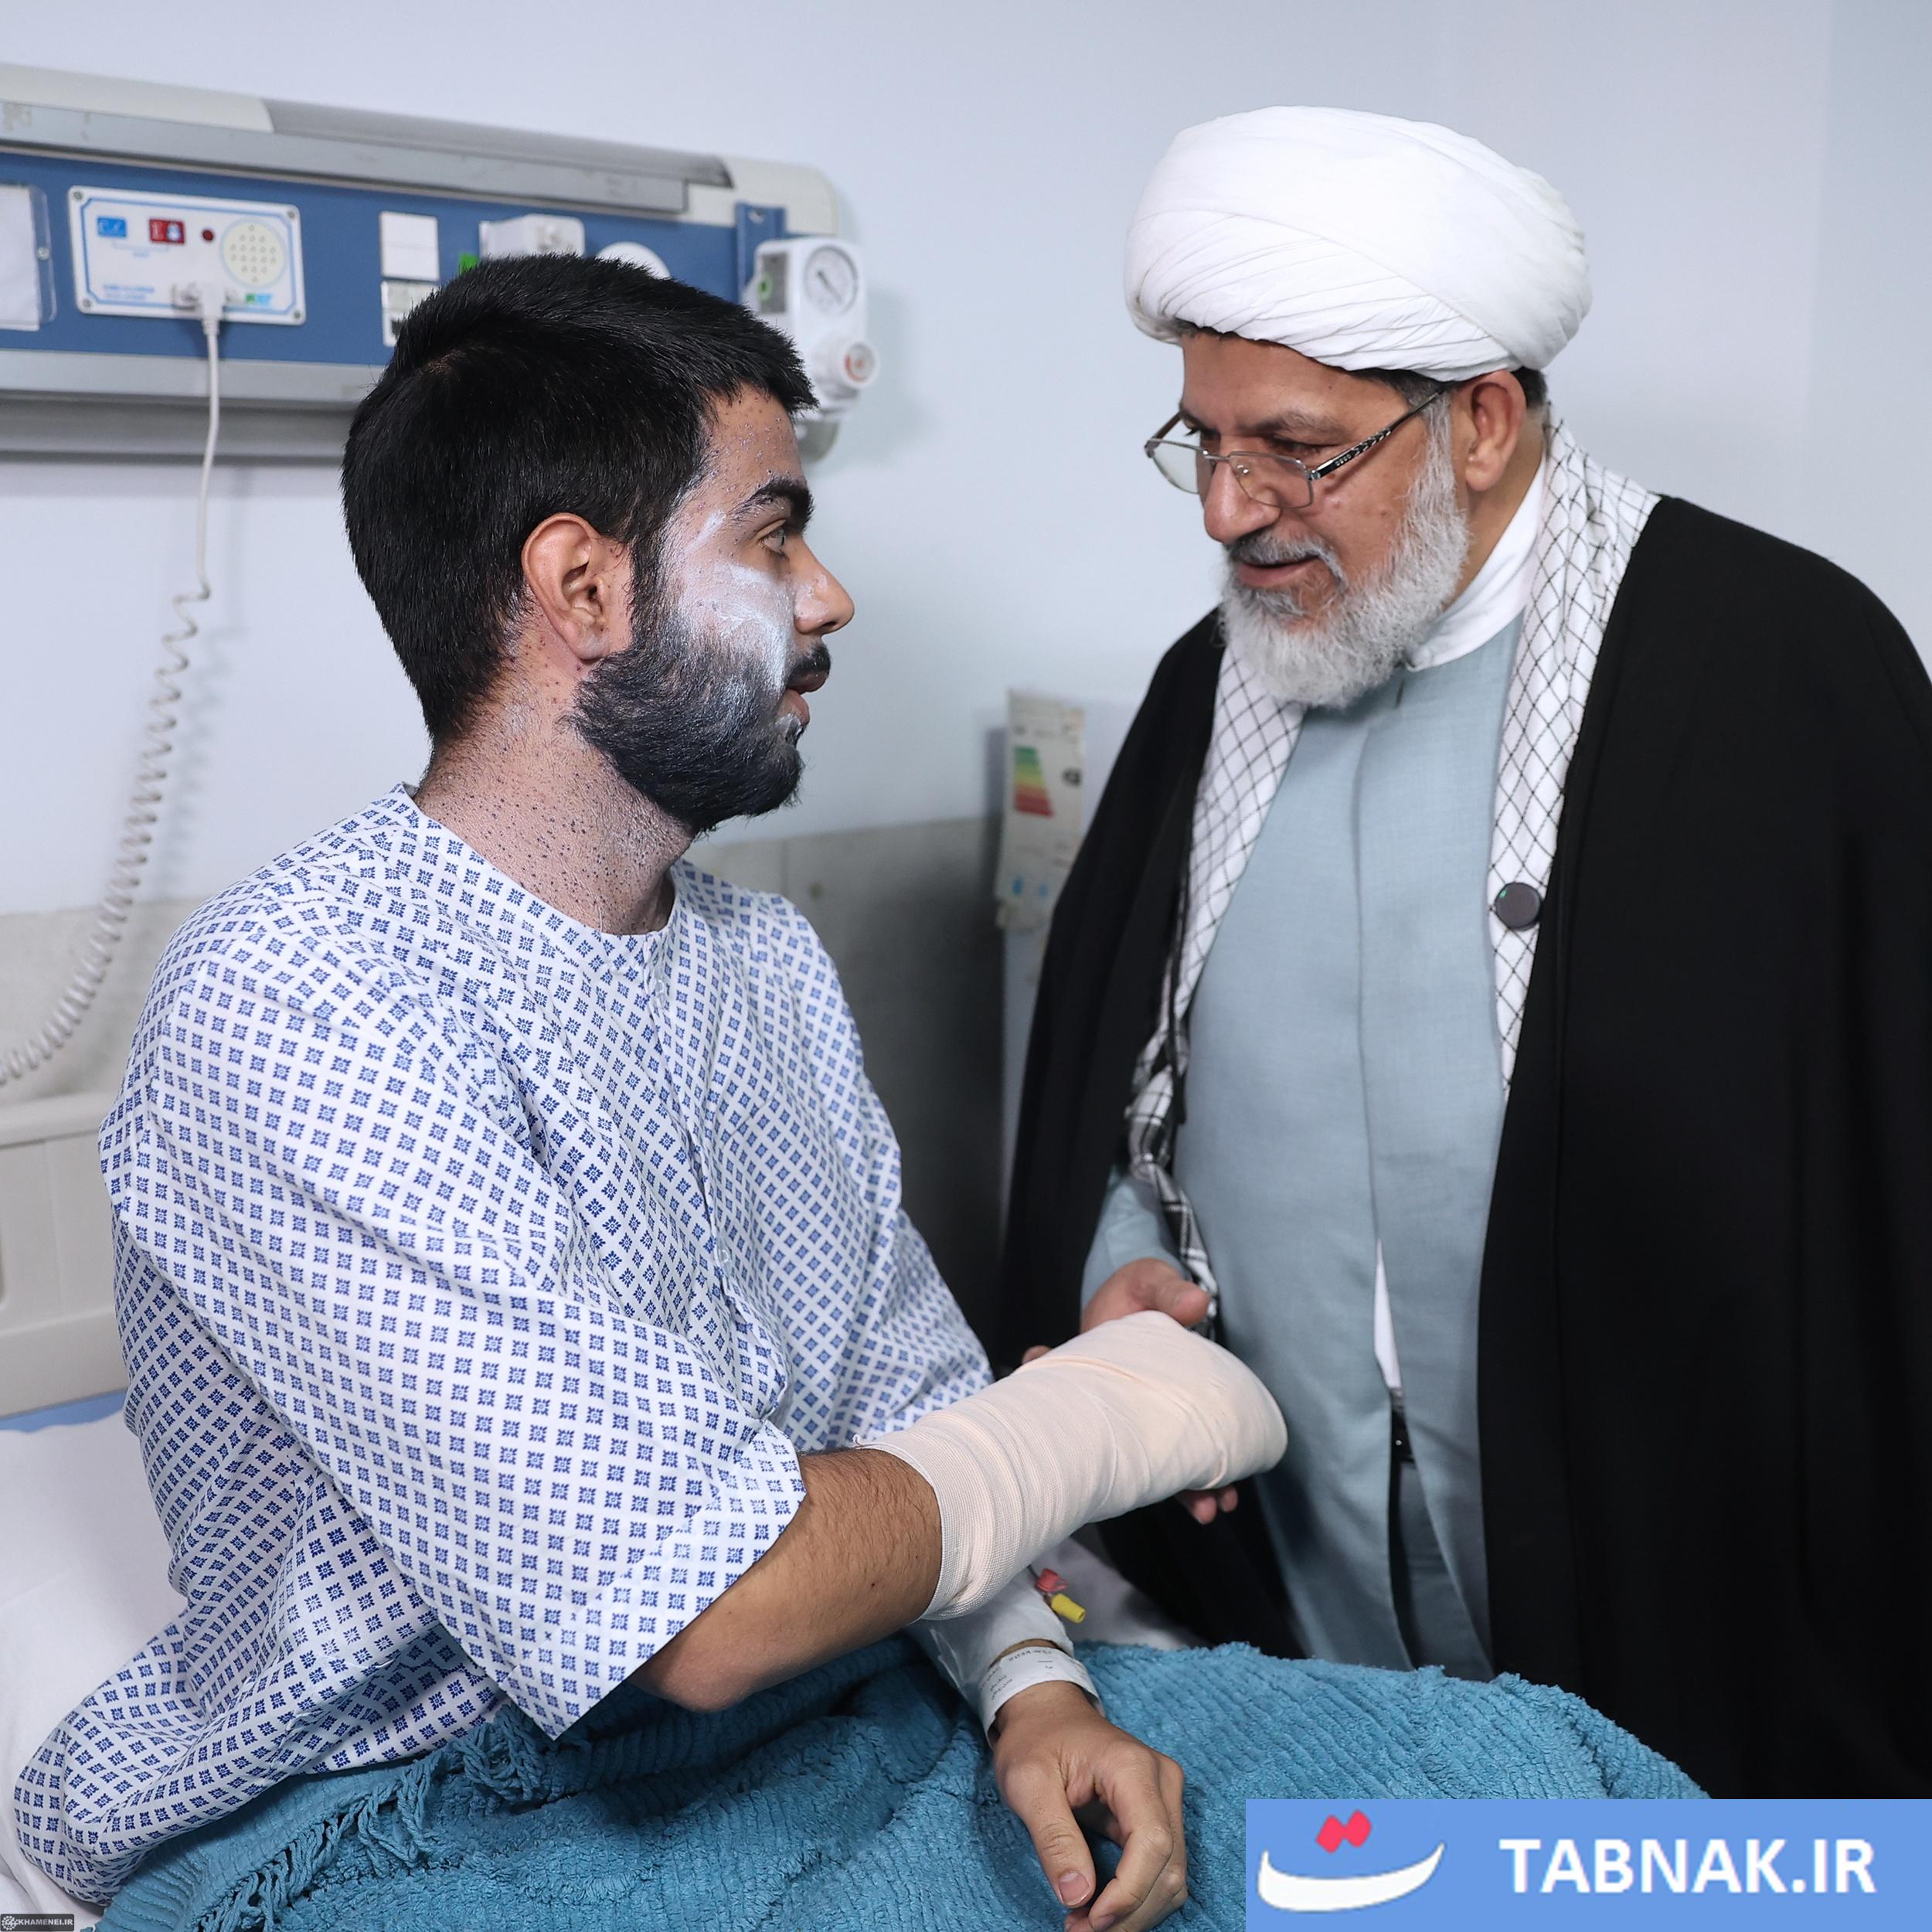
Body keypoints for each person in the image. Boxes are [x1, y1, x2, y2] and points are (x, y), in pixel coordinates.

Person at [14, 256, 1292, 1928]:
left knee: (1543, 1801)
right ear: (583, 587)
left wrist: (1029, 1684)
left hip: (824, 1709)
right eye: (773, 536)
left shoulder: (764, 965)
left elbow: (911, 1405)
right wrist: (1109, 1412)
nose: (828, 596)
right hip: (420, 1812)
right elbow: (704, 1604)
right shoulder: (302, 1002)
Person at [1001, 105, 1932, 1798]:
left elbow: (1874, 1193)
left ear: (1482, 422)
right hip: (1288, 1593)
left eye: (1295, 449)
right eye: (1203, 442)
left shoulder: (1780, 673)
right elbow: (1124, 1099)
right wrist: (1116, 1274)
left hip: (1677, 1605)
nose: (1227, 509)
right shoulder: (1207, 691)